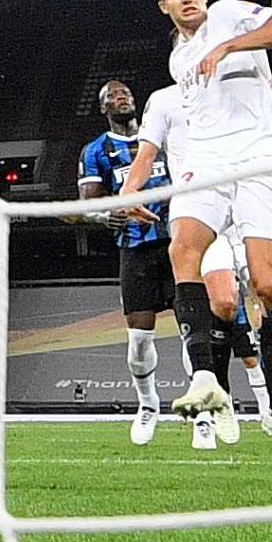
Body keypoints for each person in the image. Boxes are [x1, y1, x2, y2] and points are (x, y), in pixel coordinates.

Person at [134, 0, 272, 450]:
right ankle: (206, 378)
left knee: (268, 284)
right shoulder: (178, 61)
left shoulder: (231, 15)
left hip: (260, 160)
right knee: (182, 251)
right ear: (163, 6)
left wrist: (230, 44)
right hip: (209, 165)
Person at [125, 83, 272, 449]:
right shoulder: (163, 100)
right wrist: (131, 189)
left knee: (270, 291)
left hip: (250, 202)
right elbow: (146, 154)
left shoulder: (240, 86)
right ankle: (206, 407)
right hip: (200, 210)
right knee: (222, 302)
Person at [77, 79, 176, 445]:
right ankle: (148, 404)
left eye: (127, 95)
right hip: (135, 249)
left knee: (192, 328)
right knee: (138, 339)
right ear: (104, 108)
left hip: (179, 244)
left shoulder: (161, 138)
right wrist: (106, 217)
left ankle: (203, 416)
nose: (122, 99)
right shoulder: (97, 151)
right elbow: (88, 203)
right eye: (113, 97)